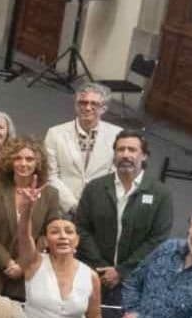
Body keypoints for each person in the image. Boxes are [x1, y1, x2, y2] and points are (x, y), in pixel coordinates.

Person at [73, 130, 174, 305]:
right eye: (121, 150)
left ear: (144, 156)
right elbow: (81, 228)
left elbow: (158, 239)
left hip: (135, 279)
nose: (126, 154)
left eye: (132, 150)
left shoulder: (160, 193)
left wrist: (121, 271)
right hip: (93, 272)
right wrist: (101, 268)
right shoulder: (95, 188)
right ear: (114, 155)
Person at [0, 138, 60, 300]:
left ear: (38, 163)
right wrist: (7, 262)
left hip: (28, 276)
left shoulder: (50, 194)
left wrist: (23, 265)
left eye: (29, 159)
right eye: (18, 158)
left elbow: (47, 235)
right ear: (10, 161)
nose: (23, 163)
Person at [44, 82, 124, 212]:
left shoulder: (117, 135)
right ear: (76, 106)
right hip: (62, 208)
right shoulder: (55, 133)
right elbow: (50, 175)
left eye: (94, 104)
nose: (87, 108)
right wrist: (72, 205)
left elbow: (116, 175)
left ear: (104, 108)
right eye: (83, 102)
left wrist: (94, 204)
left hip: (99, 208)